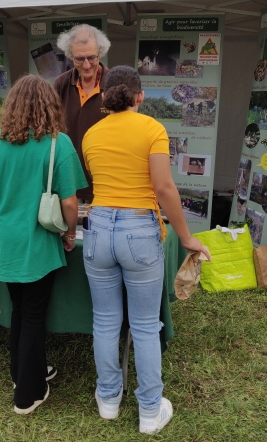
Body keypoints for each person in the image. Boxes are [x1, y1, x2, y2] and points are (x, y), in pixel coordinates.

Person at [81, 66, 211, 434]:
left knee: (105, 321)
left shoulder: (91, 134)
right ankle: (150, 410)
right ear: (140, 96)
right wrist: (187, 237)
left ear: (104, 96)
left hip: (98, 227)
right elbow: (164, 188)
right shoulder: (152, 128)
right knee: (143, 325)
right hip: (139, 229)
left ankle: (108, 399)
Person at [0, 74, 87, 415]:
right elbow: (71, 204)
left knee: (20, 311)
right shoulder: (60, 143)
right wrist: (70, 234)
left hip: (5, 241)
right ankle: (28, 393)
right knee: (34, 315)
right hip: (38, 242)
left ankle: (24, 372)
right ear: (51, 105)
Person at [54, 24, 111, 202]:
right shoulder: (61, 84)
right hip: (68, 182)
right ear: (70, 56)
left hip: (105, 182)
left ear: (100, 53)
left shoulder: (114, 84)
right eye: (79, 59)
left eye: (91, 58)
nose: (86, 65)